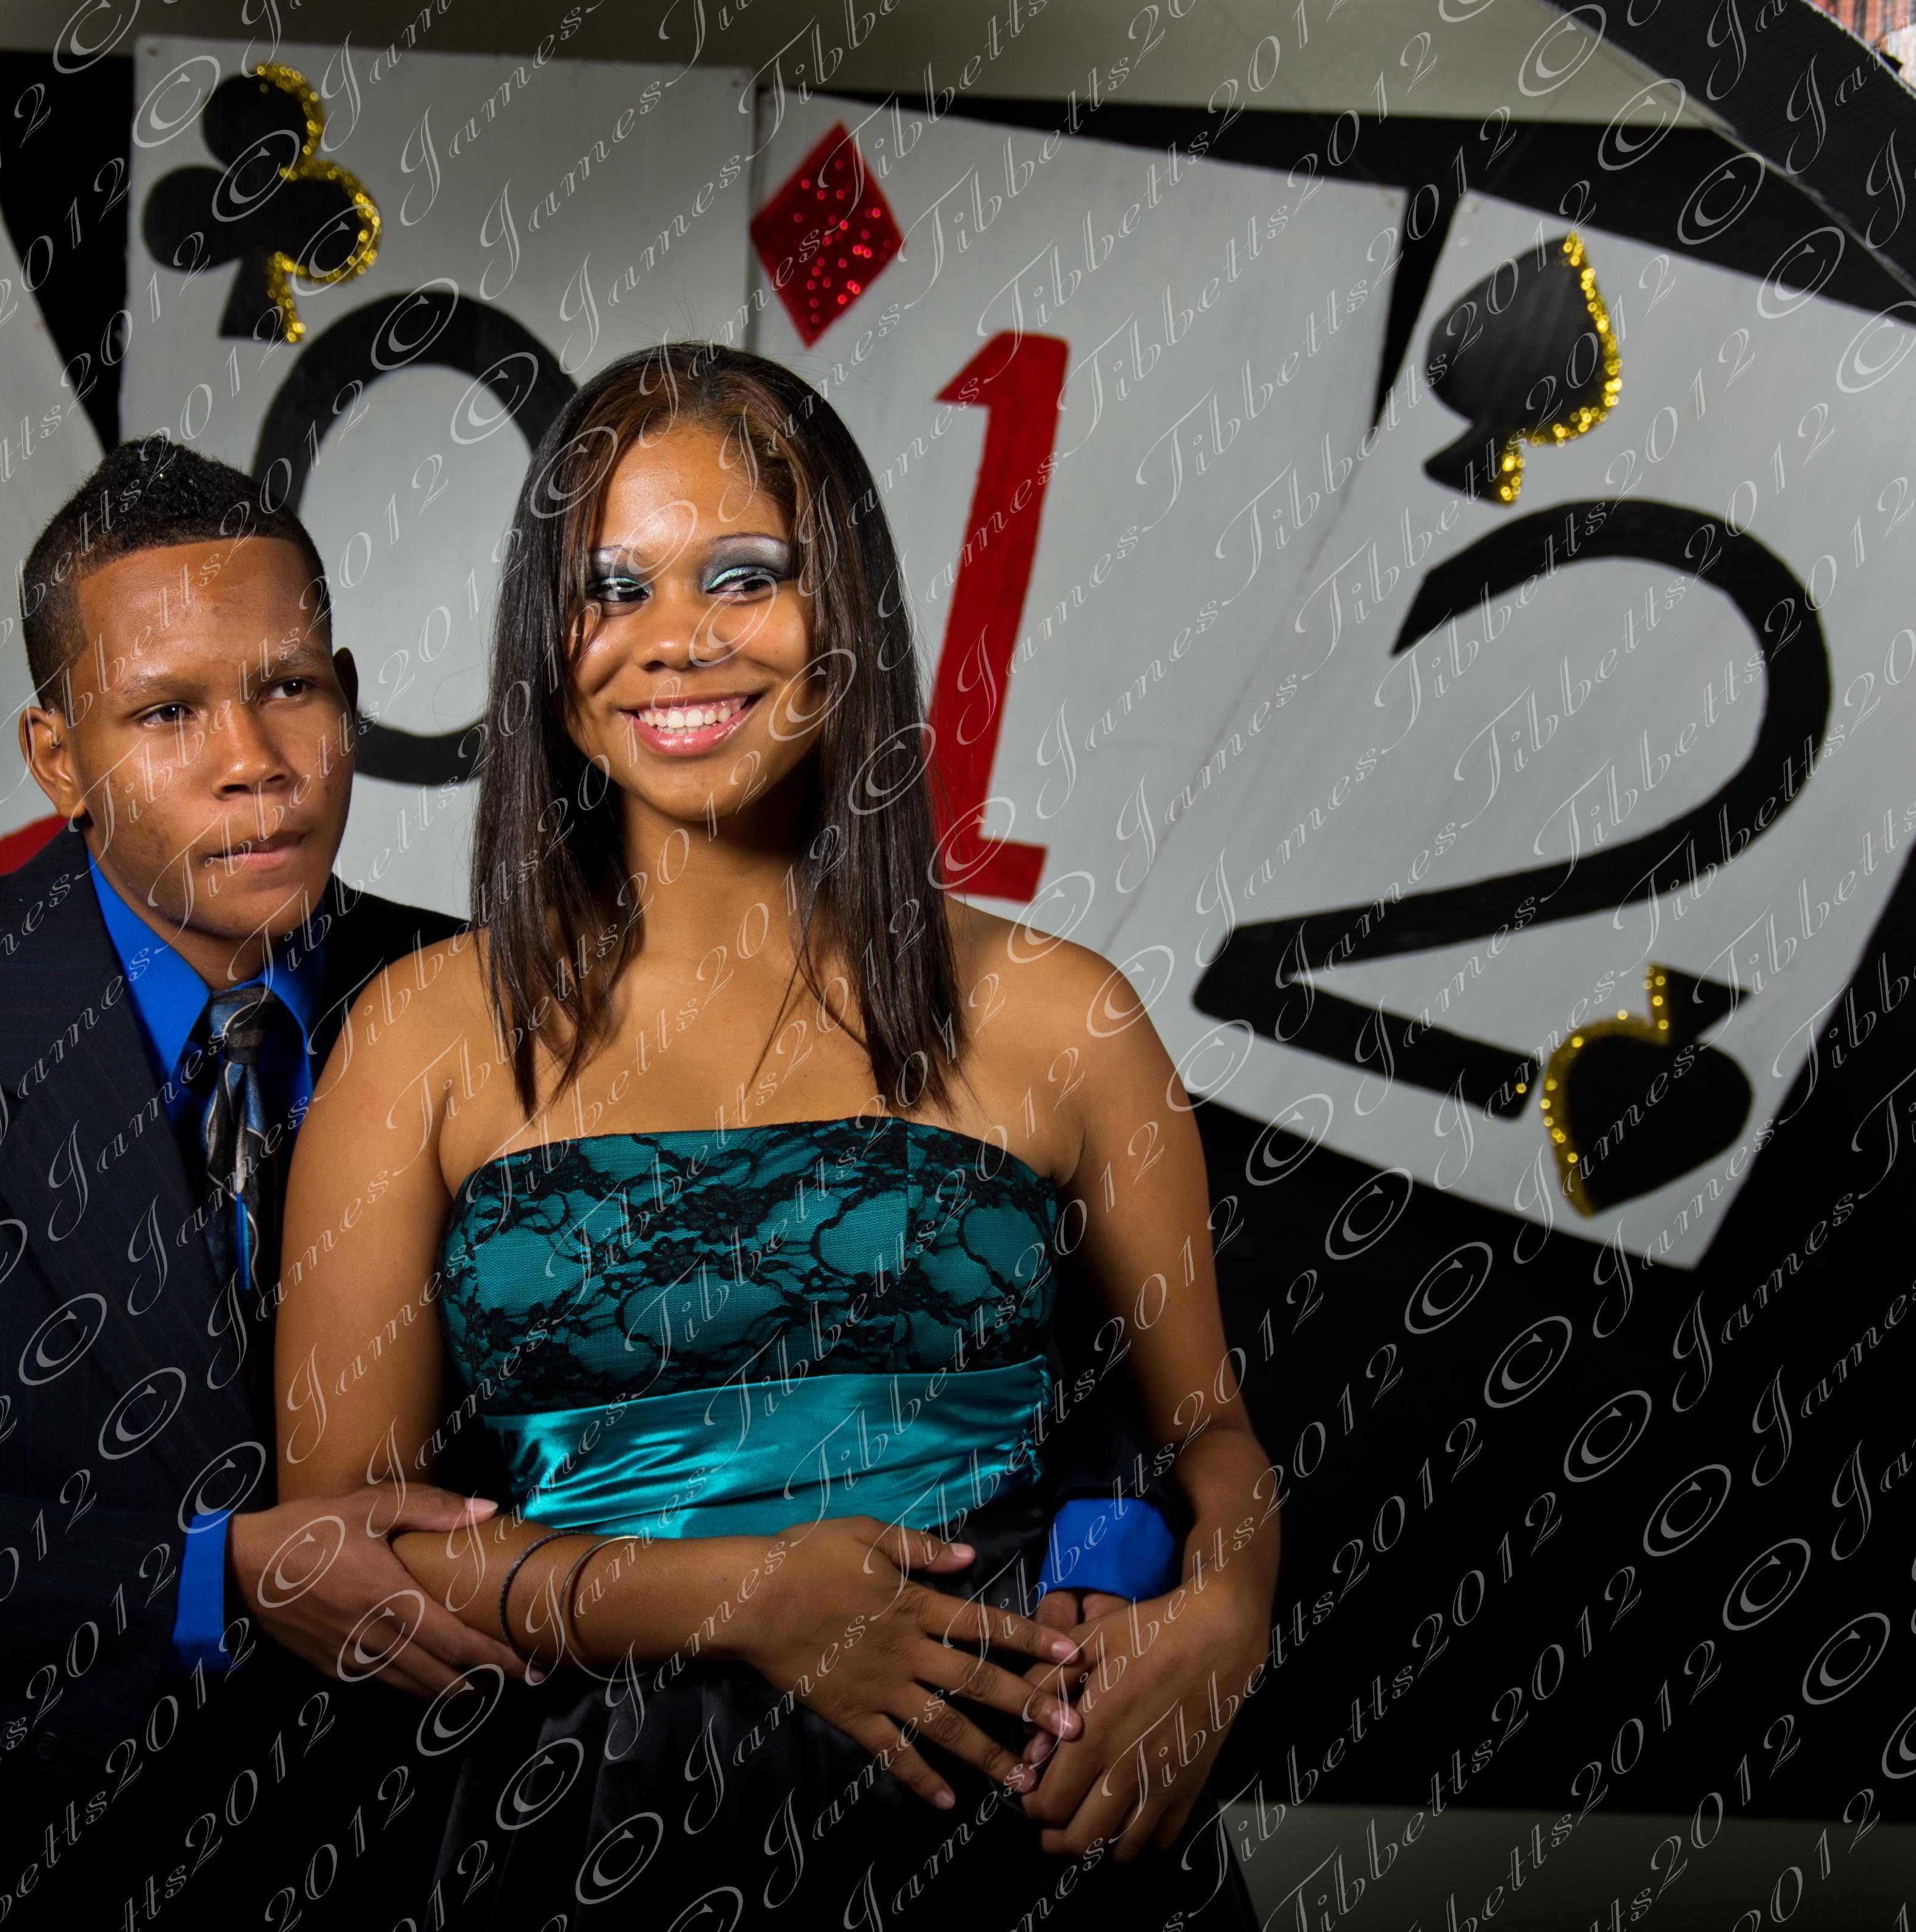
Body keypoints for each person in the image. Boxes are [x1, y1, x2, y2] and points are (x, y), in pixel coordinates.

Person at [272, 344, 1278, 1930]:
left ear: (843, 617)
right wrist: (740, 1598)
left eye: (744, 576)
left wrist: (1227, 1613)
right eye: (613, 589)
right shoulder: (419, 1033)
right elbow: (346, 1551)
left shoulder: (1063, 1013)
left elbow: (1210, 1430)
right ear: (548, 650)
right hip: (585, 1828)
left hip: (1010, 1807)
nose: (678, 638)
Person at [0, 438, 526, 1930]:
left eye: (288, 688)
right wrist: (207, 1577)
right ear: (56, 757)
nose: (252, 758)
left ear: (349, 698)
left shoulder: (492, 995)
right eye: (167, 712)